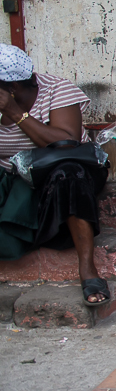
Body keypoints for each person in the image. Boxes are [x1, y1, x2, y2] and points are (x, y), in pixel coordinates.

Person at [0, 44, 110, 306]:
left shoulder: (55, 89)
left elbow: (66, 142)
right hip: (12, 177)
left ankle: (87, 270)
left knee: (69, 175)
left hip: (60, 170)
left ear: (11, 88)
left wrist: (16, 114)